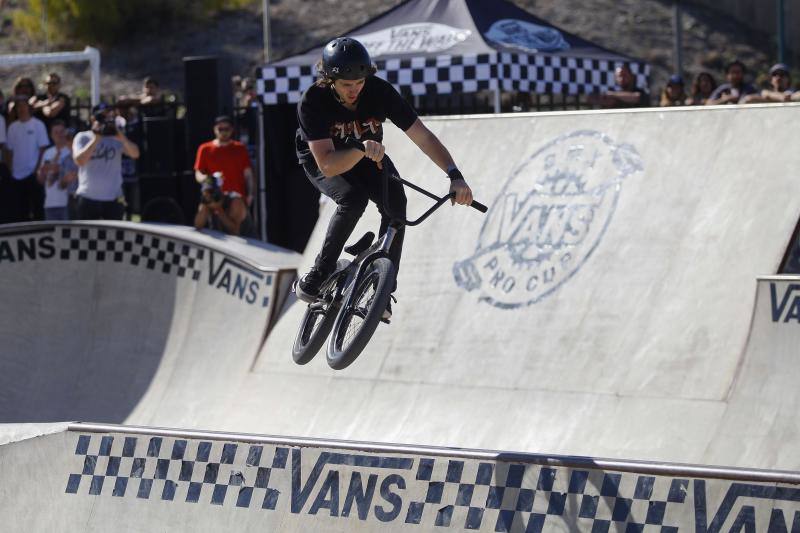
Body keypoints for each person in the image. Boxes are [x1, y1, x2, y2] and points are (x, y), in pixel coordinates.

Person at [294, 37, 474, 320]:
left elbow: (422, 136)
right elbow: (328, 164)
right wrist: (359, 149)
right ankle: (322, 269)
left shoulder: (380, 92)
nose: (354, 91)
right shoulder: (313, 101)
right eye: (346, 85)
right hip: (323, 158)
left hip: (369, 155)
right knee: (352, 199)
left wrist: (455, 175)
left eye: (359, 83)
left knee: (396, 205)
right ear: (330, 81)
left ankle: (383, 285)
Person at [72, 103, 140, 220]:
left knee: (113, 238)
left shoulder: (117, 139)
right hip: (88, 198)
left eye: (109, 117)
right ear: (93, 119)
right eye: (102, 117)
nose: (106, 120)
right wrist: (96, 138)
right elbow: (79, 161)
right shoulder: (83, 137)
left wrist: (120, 136)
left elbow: (135, 154)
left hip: (113, 200)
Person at [5, 95, 50, 222]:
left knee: (37, 209)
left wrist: (37, 170)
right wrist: (11, 169)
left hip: (33, 174)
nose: (21, 109)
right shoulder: (13, 127)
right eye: (18, 107)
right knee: (20, 210)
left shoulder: (38, 125)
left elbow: (42, 149)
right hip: (16, 175)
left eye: (23, 106)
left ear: (28, 108)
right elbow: (9, 151)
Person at [194, 115, 255, 206]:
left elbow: (248, 174)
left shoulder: (240, 148)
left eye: (227, 129)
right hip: (214, 197)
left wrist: (250, 194)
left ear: (232, 130)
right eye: (220, 129)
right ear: (215, 129)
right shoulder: (204, 148)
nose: (223, 132)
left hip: (237, 198)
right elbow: (199, 172)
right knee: (202, 212)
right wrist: (207, 179)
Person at [36, 120, 76, 220]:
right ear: (51, 135)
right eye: (56, 132)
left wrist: (59, 169)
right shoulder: (47, 153)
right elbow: (41, 180)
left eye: (62, 132)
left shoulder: (73, 151)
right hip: (49, 204)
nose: (59, 135)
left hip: (68, 204)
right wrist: (42, 172)